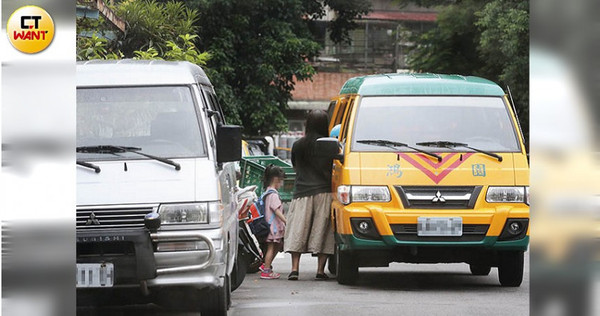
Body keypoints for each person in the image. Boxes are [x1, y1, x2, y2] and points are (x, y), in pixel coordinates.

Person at [284, 110, 334, 280]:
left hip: (302, 192)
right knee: (324, 231)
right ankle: (320, 271)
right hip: (325, 192)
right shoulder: (330, 145)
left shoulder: (298, 145)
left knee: (298, 229)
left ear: (308, 124)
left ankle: (294, 269)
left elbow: (295, 166)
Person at [260, 165, 287, 280]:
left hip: (270, 226)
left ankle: (266, 265)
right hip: (274, 227)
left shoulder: (267, 192)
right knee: (271, 247)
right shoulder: (273, 194)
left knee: (277, 246)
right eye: (281, 181)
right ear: (276, 180)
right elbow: (276, 210)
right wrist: (286, 221)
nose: (281, 184)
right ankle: (266, 270)